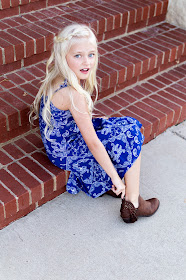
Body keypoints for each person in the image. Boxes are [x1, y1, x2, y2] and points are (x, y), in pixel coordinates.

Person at [30, 23, 159, 223]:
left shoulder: (57, 77)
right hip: (69, 151)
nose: (86, 62)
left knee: (120, 125)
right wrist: (117, 180)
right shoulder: (73, 94)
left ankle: (112, 184)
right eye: (78, 55)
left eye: (91, 54)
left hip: (60, 145)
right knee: (131, 130)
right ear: (64, 56)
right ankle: (133, 203)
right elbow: (92, 143)